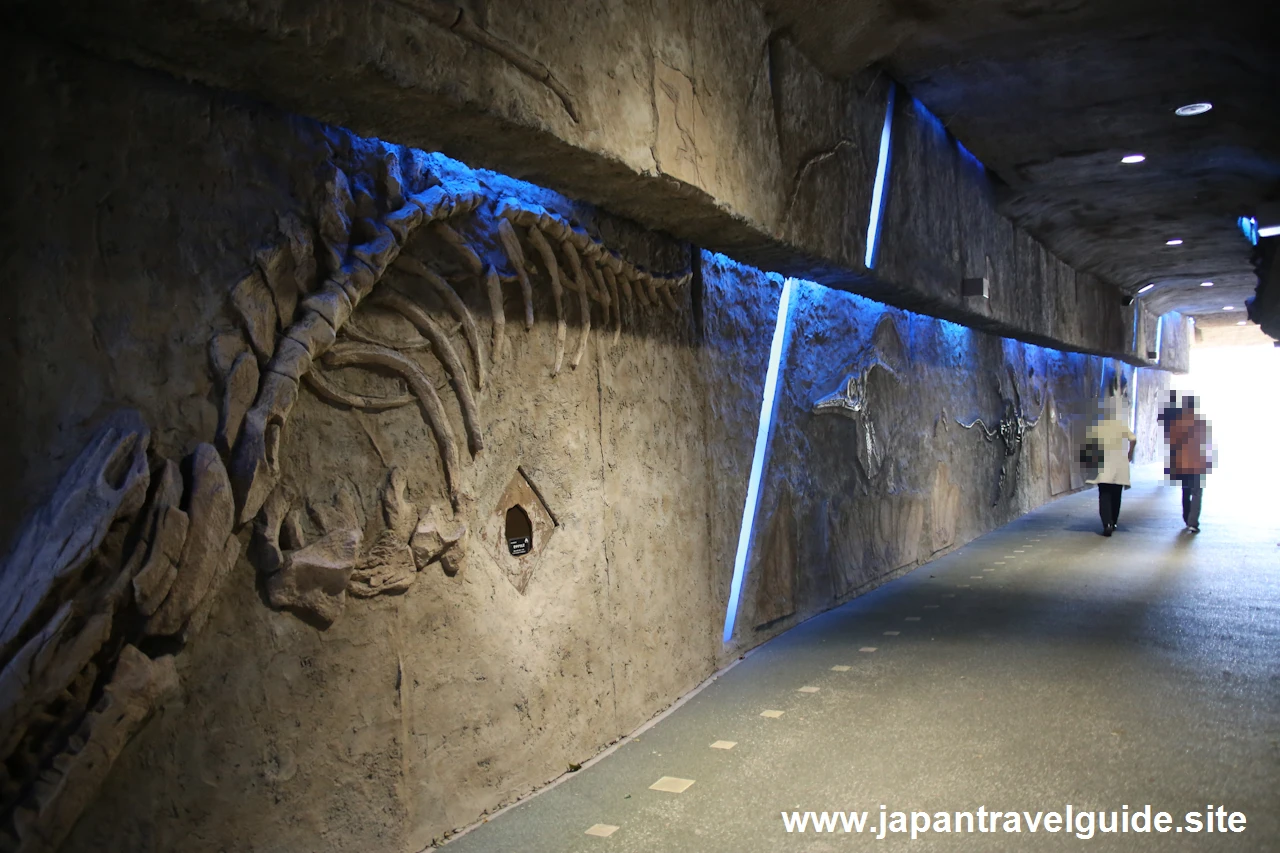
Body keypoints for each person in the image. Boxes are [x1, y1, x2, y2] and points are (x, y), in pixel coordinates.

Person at [1086, 401, 1137, 536]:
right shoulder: (1121, 426)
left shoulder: (1098, 427)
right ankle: (1113, 521)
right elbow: (1133, 439)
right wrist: (1130, 454)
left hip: (1104, 464)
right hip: (1119, 464)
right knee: (1116, 494)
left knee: (1104, 494)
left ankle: (1107, 523)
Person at [1167, 396, 1210, 532]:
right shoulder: (1201, 422)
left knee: (1185, 492)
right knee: (1197, 493)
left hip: (1182, 464)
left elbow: (1172, 444)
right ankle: (1193, 522)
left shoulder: (1177, 422)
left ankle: (1186, 518)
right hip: (1197, 463)